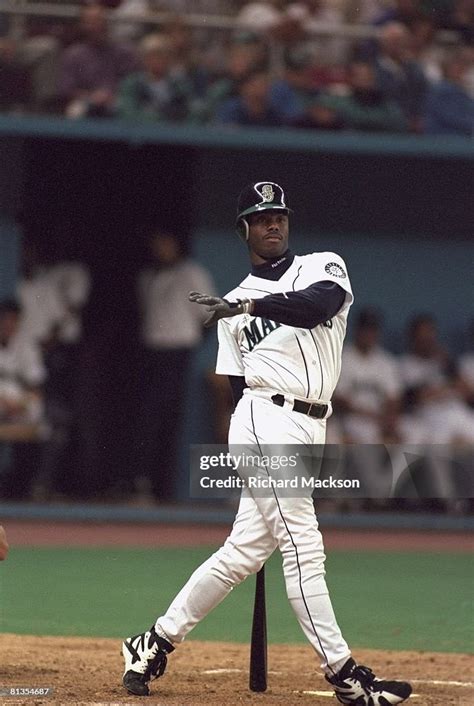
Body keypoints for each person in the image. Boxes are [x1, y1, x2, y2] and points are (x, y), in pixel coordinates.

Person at [122, 182, 412, 705]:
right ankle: (344, 675)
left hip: (311, 422)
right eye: (260, 218)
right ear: (244, 230)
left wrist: (250, 305)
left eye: (278, 215)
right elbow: (236, 387)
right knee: (303, 545)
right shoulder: (228, 304)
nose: (272, 224)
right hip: (264, 419)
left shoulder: (324, 266)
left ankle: (153, 641)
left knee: (244, 552)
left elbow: (315, 307)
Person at [134, 229, 215, 500]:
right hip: (151, 351)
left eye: (165, 242)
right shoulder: (147, 276)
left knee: (170, 419)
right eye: (156, 243)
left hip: (177, 351)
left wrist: (190, 342)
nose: (160, 248)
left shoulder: (191, 273)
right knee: (148, 419)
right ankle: (143, 485)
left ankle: (165, 489)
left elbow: (211, 313)